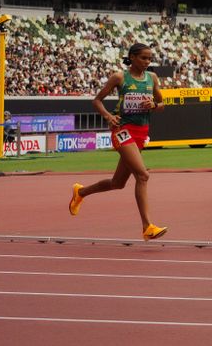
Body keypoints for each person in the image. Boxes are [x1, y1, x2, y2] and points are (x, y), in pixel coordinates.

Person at [69, 42, 168, 240]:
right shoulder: (120, 77)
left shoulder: (152, 78)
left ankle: (81, 192)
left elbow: (163, 105)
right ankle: (147, 227)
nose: (147, 62)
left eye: (149, 58)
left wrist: (154, 104)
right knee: (143, 175)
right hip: (122, 129)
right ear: (132, 57)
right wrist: (107, 116)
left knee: (117, 183)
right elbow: (97, 101)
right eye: (143, 58)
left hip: (141, 131)